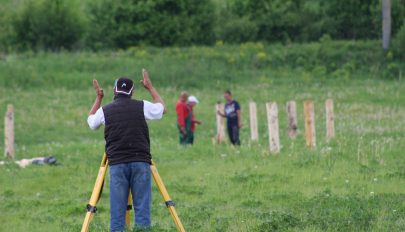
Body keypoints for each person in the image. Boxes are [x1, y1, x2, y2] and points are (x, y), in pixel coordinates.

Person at [87, 69, 166, 231]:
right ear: (132, 92)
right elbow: (161, 108)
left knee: (117, 213)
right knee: (142, 212)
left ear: (115, 91)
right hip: (140, 162)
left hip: (117, 165)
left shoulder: (105, 110)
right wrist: (150, 87)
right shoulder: (142, 106)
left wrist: (99, 98)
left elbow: (91, 122)